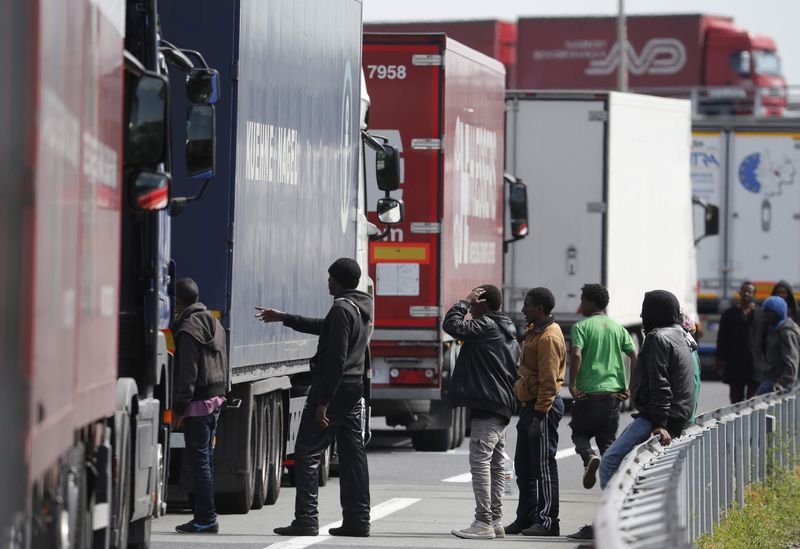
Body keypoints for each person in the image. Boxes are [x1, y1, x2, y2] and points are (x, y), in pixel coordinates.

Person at [258, 258, 372, 537]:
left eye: (331, 278)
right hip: (352, 387)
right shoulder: (359, 307)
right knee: (353, 454)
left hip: (334, 388)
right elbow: (326, 328)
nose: (327, 282)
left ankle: (306, 519)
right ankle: (358, 521)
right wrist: (285, 317)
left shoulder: (341, 309)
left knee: (308, 451)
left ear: (340, 281)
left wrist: (323, 401)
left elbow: (336, 359)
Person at [442, 285, 520, 540]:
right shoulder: (507, 329)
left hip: (487, 403)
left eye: (475, 304)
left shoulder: (485, 325)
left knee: (481, 463)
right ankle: (495, 520)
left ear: (483, 304)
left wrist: (463, 302)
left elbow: (452, 326)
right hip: (501, 404)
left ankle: (483, 520)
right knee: (496, 464)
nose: (471, 310)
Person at [598, 290, 695, 490]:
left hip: (657, 418)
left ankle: (612, 520)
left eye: (645, 311)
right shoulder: (681, 335)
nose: (642, 317)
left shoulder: (657, 338)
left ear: (656, 313)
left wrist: (660, 423)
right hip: (676, 416)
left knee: (609, 462)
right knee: (635, 469)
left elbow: (660, 383)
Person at [505, 287, 566, 537]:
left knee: (543, 467)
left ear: (540, 309)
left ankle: (548, 521)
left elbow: (549, 382)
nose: (523, 309)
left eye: (527, 305)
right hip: (530, 407)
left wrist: (540, 416)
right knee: (525, 467)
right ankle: (526, 517)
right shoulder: (534, 330)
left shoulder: (548, 337)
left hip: (544, 408)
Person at [172, 278, 229, 534]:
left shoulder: (187, 328)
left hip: (196, 404)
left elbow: (188, 372)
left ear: (178, 302)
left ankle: (205, 517)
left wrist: (179, 407)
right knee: (207, 460)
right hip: (216, 400)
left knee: (200, 463)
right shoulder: (215, 323)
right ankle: (205, 515)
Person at [568, 284, 636, 490]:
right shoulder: (618, 327)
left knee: (579, 434)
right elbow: (634, 355)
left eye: (582, 301)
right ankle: (613, 492)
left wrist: (571, 384)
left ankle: (588, 457)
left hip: (587, 395)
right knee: (607, 443)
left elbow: (577, 354)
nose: (581, 306)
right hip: (611, 397)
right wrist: (629, 386)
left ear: (591, 302)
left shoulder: (581, 327)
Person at [716, 281, 764, 403]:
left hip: (755, 366)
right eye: (744, 291)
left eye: (750, 291)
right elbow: (722, 340)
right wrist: (720, 362)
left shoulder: (761, 315)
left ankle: (751, 422)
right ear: (740, 293)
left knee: (752, 401)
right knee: (735, 401)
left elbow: (765, 340)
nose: (747, 293)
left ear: (754, 294)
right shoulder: (729, 314)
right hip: (735, 364)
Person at [755, 296, 800, 395]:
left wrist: (783, 383)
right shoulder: (773, 329)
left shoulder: (786, 332)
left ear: (778, 313)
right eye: (765, 311)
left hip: (781, 383)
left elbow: (791, 361)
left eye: (769, 312)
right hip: (772, 377)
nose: (765, 314)